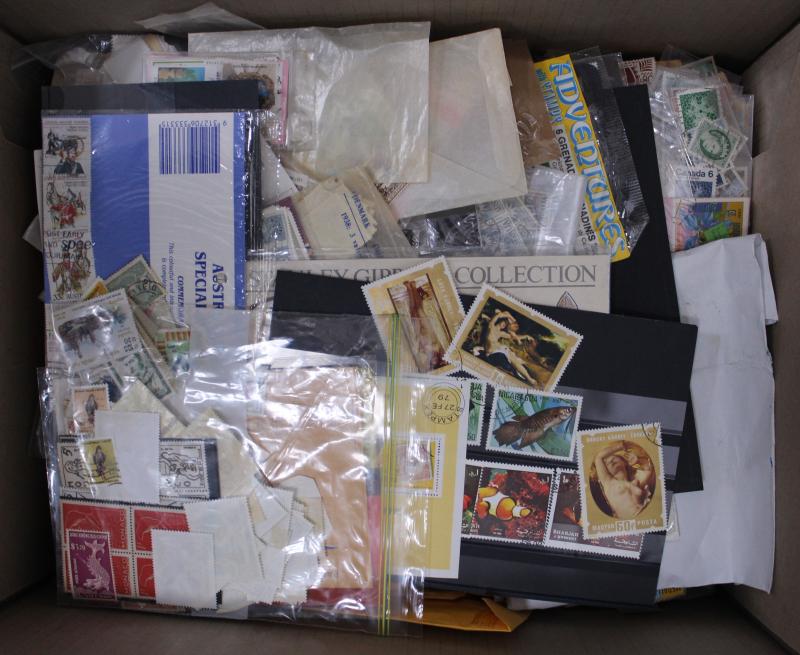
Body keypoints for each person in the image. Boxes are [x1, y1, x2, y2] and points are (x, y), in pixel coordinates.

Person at [593, 441, 654, 519]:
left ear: (624, 462)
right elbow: (598, 458)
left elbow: (649, 470)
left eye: (614, 458)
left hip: (643, 516)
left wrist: (637, 461)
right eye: (606, 463)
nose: (611, 461)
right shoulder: (608, 483)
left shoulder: (635, 481)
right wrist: (620, 446)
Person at [481, 310, 541, 387]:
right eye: (503, 322)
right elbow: (497, 316)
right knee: (510, 363)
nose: (504, 325)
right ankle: (524, 379)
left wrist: (526, 336)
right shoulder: (491, 326)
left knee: (515, 362)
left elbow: (515, 337)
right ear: (499, 321)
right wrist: (507, 316)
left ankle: (529, 379)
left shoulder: (501, 333)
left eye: (506, 324)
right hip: (493, 351)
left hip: (501, 349)